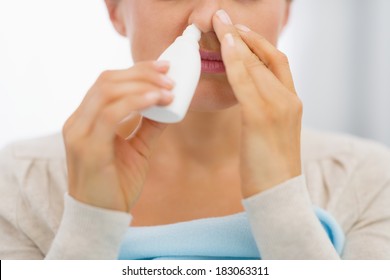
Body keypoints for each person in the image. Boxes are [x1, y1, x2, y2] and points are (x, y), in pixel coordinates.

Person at [1, 0, 389, 260]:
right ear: (117, 10)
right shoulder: (18, 184)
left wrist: (281, 197)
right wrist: (91, 222)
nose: (206, 19)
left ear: (287, 10)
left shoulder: (369, 181)